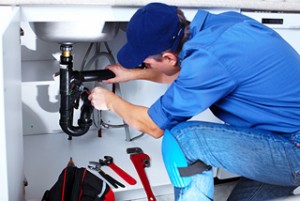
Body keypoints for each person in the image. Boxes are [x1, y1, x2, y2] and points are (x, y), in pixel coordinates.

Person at [88, 2, 300, 201]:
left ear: (169, 57)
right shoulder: (223, 26)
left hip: (293, 150)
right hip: (281, 139)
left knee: (183, 139)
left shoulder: (206, 61)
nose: (145, 67)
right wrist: (130, 74)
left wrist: (110, 101)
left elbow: (153, 126)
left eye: (146, 63)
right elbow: (182, 72)